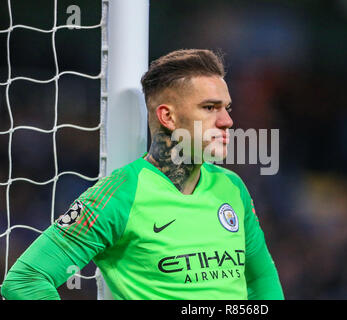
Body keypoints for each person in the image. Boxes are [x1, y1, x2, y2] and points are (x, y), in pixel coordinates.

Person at [1, 49, 284, 300]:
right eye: (210, 107)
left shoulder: (232, 186)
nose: (227, 121)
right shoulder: (119, 194)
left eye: (227, 108)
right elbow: (25, 280)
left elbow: (261, 278)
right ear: (168, 117)